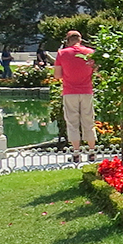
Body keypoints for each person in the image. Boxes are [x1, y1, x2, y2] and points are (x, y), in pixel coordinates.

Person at [54, 30, 97, 162]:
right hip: (86, 90)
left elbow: (57, 75)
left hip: (69, 91)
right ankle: (91, 152)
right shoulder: (90, 53)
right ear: (80, 39)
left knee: (72, 123)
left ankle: (76, 153)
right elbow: (96, 70)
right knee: (88, 121)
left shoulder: (62, 53)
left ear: (68, 40)